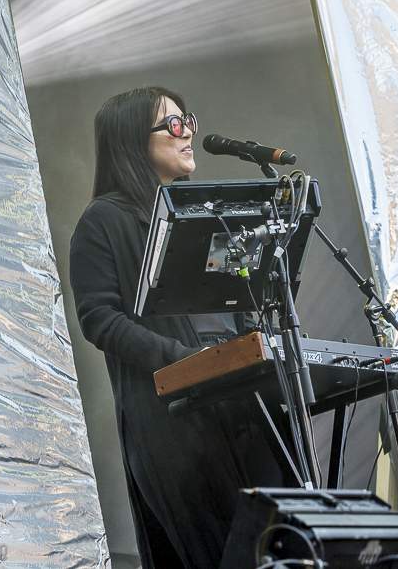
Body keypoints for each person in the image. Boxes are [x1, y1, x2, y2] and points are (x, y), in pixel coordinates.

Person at [70, 86, 283, 567]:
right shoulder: (103, 220)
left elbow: (235, 302)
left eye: (188, 120)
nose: (187, 132)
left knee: (278, 548)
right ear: (131, 140)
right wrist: (185, 362)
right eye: (172, 124)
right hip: (175, 424)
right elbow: (99, 319)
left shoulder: (200, 212)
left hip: (240, 406)